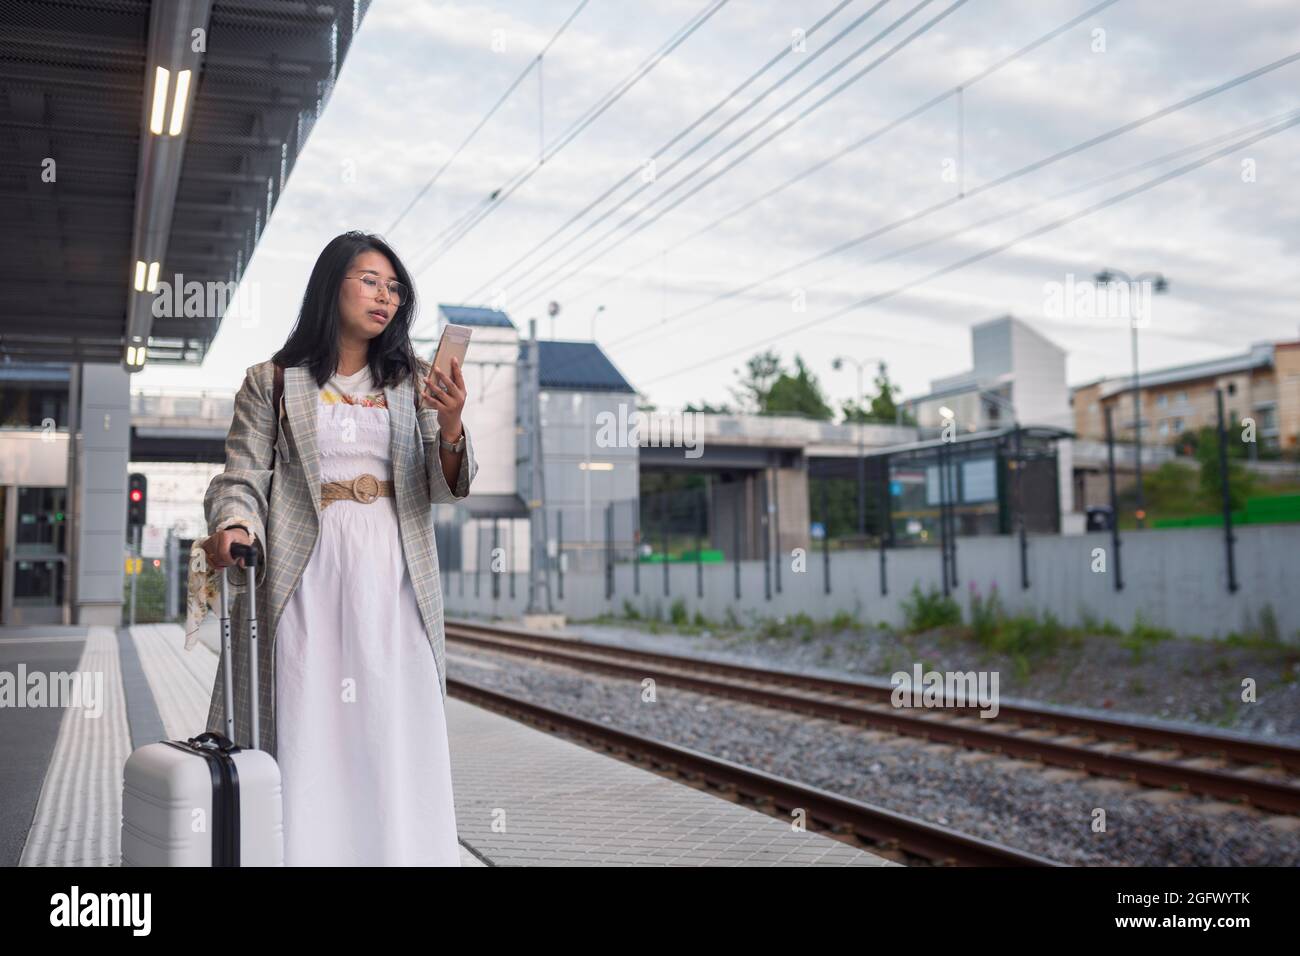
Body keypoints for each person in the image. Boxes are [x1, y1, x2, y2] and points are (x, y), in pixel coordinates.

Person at [183, 230, 477, 865]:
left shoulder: (415, 382)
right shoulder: (272, 381)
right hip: (304, 577)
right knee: (309, 721)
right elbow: (241, 475)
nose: (385, 297)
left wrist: (451, 426)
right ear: (330, 285)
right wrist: (236, 527)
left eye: (395, 288)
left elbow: (446, 487)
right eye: (370, 280)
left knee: (390, 727)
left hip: (394, 581)